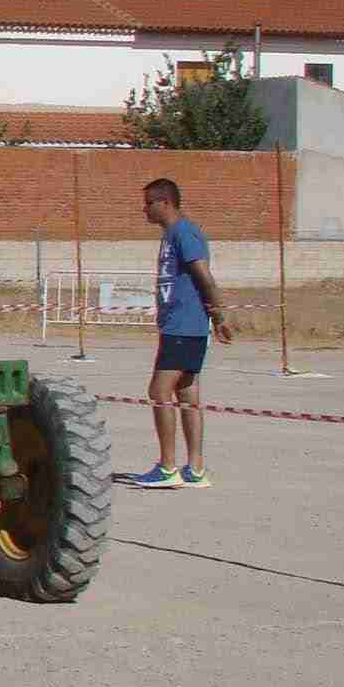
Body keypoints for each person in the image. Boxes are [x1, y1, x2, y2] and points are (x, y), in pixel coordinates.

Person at [132, 177, 232, 489]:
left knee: (159, 391)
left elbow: (204, 275)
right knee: (187, 392)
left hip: (184, 325)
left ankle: (167, 467)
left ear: (165, 202)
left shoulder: (184, 232)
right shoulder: (172, 235)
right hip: (180, 325)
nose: (144, 209)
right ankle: (196, 469)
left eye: (149, 203)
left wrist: (219, 315)